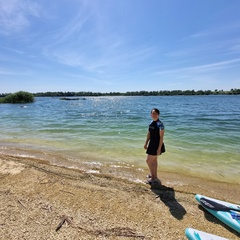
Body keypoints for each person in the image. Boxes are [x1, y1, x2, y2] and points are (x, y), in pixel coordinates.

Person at [144, 108, 165, 185]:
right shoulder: (151, 123)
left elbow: (161, 137)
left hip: (156, 145)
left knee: (148, 161)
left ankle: (153, 178)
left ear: (158, 115)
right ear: (151, 115)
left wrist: (159, 148)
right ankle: (154, 176)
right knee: (154, 161)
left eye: (155, 113)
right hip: (151, 144)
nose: (154, 115)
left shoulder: (160, 124)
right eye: (153, 113)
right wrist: (146, 143)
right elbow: (149, 134)